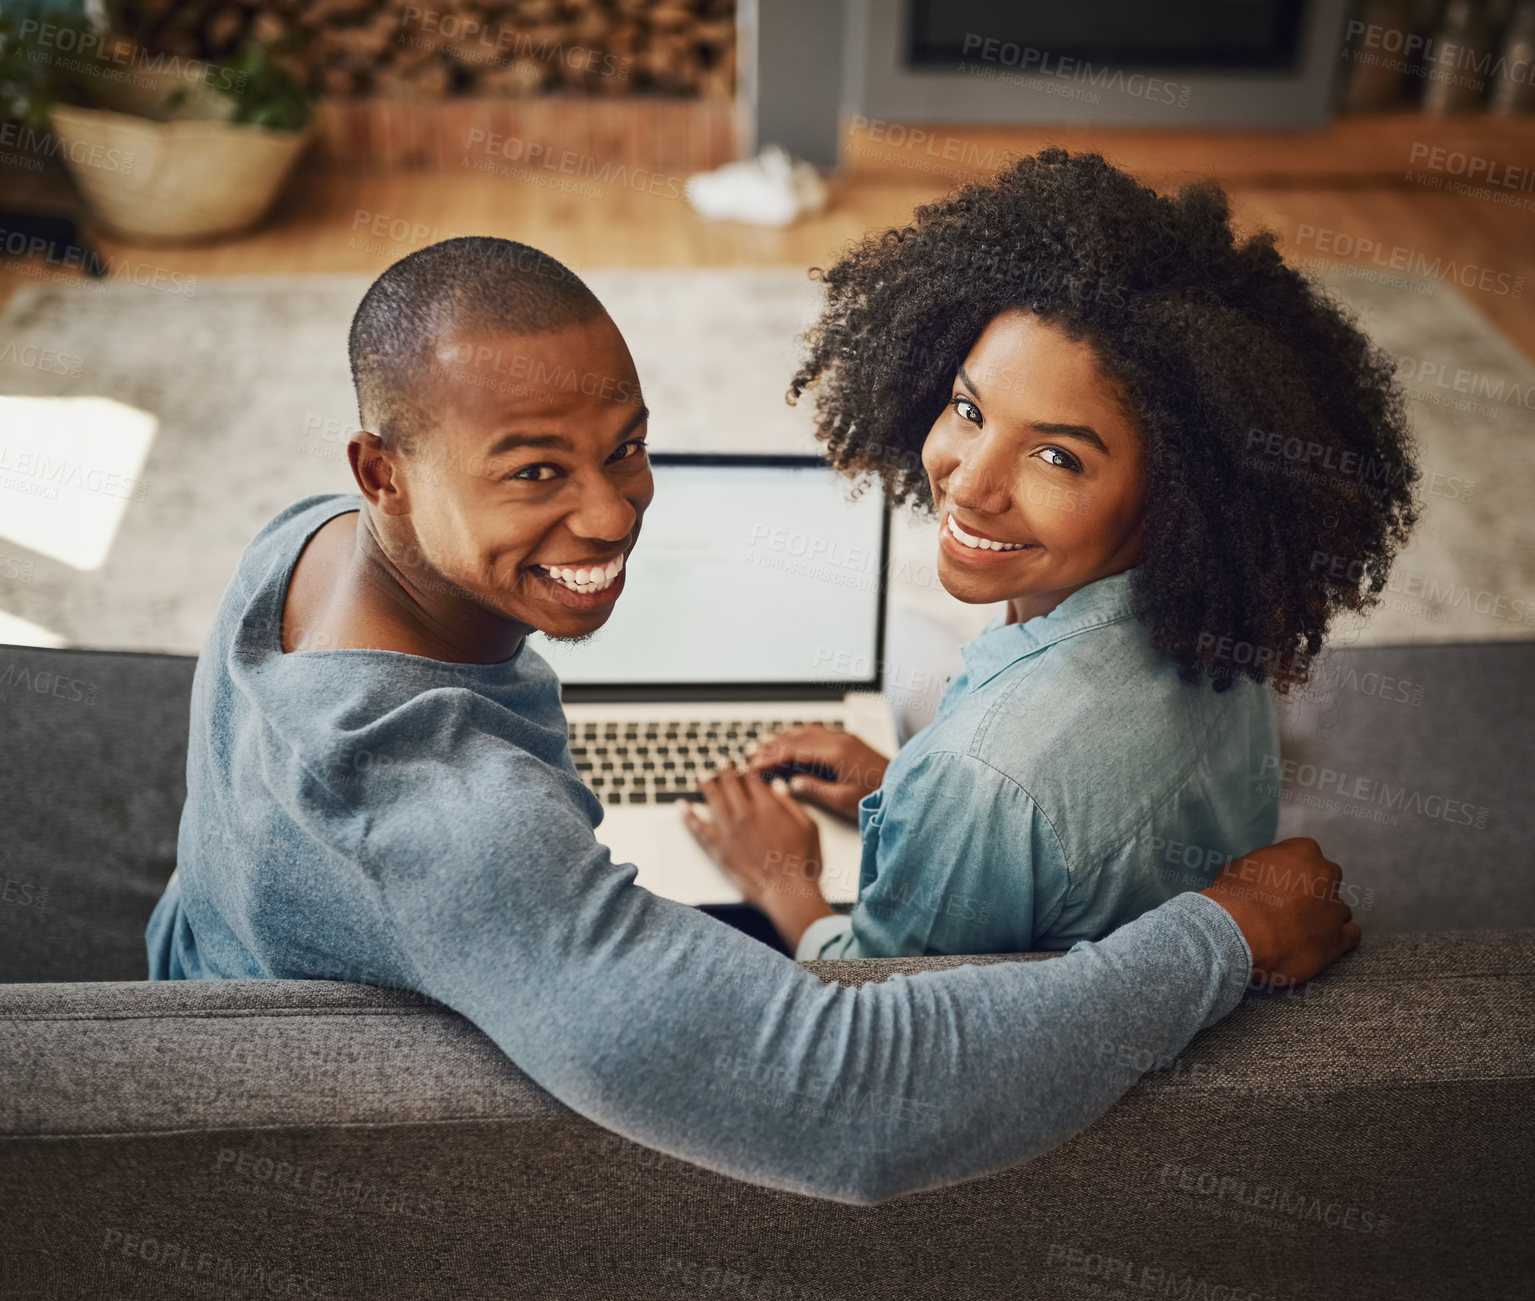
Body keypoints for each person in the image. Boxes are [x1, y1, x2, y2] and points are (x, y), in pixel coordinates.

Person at [145, 234, 1359, 1206]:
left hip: (203, 965)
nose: (613, 515)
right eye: (532, 472)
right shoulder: (460, 831)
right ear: (382, 472)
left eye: (623, 448)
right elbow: (861, 1099)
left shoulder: (299, 537)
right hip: (324, 1136)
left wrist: (903, 784)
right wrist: (1223, 933)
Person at [685, 149, 1417, 963]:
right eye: (968, 408)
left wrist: (780, 878)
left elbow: (879, 1006)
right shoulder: (1219, 623)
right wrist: (902, 791)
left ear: (1181, 494)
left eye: (1058, 457)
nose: (969, 484)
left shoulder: (983, 776)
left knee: (900, 647)